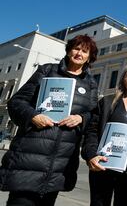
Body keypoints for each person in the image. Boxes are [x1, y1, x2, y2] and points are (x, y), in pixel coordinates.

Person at [0, 34, 98, 206]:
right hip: (29, 158)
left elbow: (93, 117)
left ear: (90, 56)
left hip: (60, 164)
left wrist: (81, 118)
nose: (79, 54)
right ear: (69, 50)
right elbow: (16, 102)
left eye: (85, 51)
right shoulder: (46, 70)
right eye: (76, 48)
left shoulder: (90, 85)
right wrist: (32, 116)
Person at [81, 61, 127, 206]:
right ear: (123, 78)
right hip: (103, 165)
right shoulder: (106, 102)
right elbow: (91, 131)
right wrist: (91, 155)